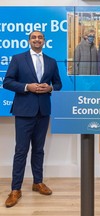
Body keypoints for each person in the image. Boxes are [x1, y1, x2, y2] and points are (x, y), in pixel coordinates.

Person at [3, 30, 62, 208]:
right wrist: (27, 86)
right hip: (23, 111)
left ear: (44, 41)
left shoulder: (51, 62)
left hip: (43, 111)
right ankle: (15, 189)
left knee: (39, 150)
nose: (37, 40)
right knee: (21, 151)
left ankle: (38, 183)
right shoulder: (18, 59)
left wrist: (49, 88)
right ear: (29, 41)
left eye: (40, 37)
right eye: (34, 37)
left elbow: (58, 84)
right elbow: (7, 82)